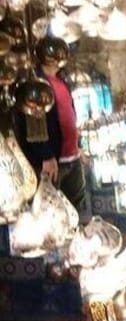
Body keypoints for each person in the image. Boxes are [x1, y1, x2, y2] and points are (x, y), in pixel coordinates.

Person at [14, 52, 86, 218]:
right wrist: (46, 155)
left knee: (76, 211)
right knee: (54, 215)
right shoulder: (36, 85)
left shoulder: (62, 80)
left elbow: (69, 115)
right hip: (53, 161)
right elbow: (32, 122)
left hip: (72, 157)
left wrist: (77, 146)